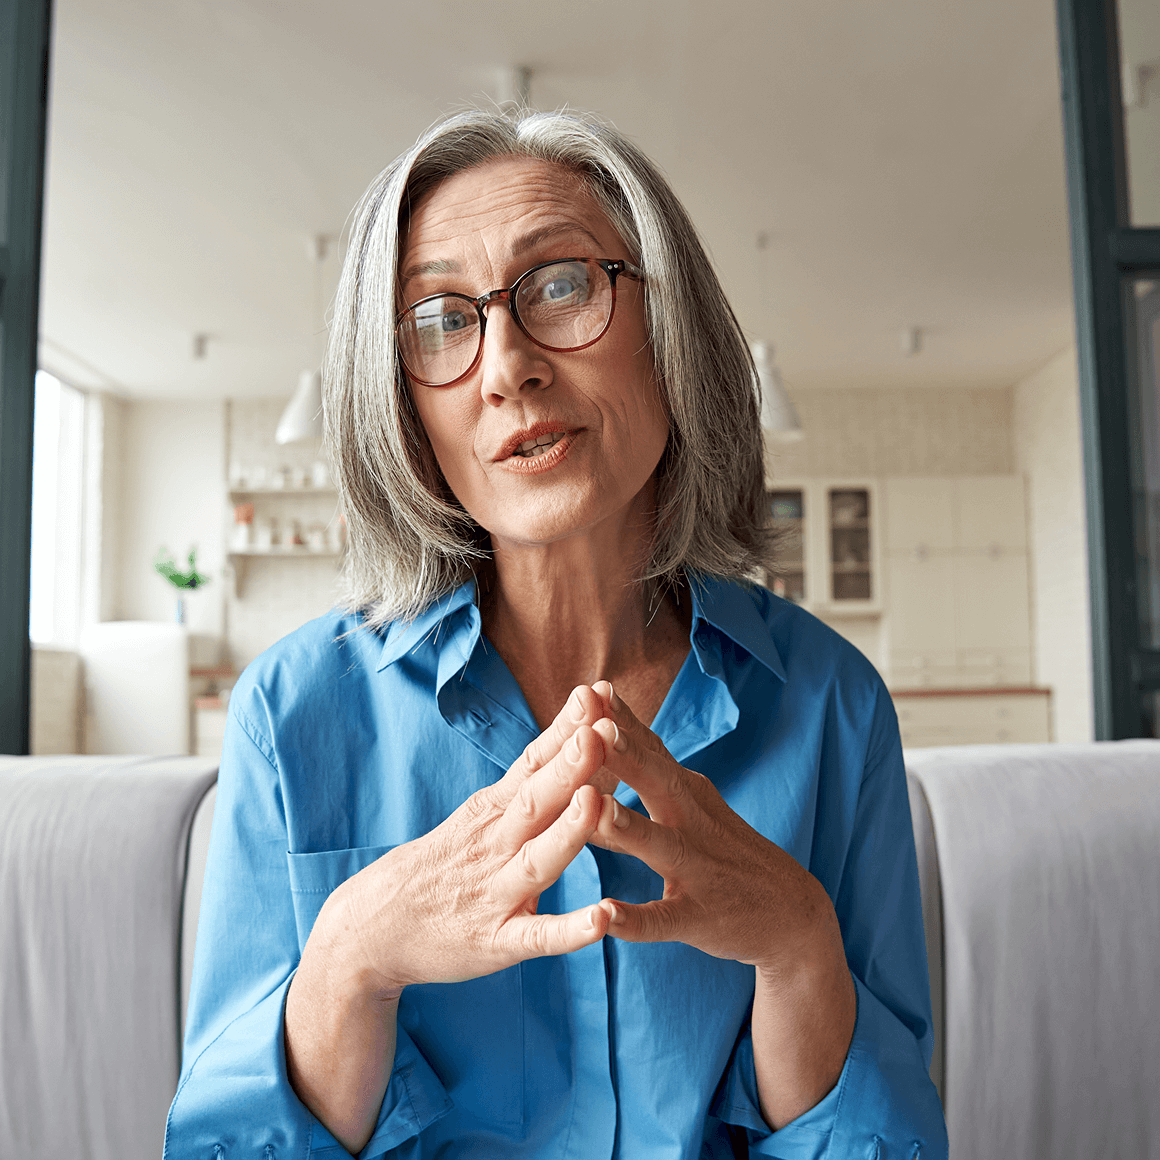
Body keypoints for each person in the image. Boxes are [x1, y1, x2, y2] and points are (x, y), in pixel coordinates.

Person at [165, 108, 947, 1160]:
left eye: (563, 284)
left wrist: (800, 946)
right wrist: (350, 957)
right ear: (399, 402)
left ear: (670, 330)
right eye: (440, 319)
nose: (506, 367)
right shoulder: (289, 711)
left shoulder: (832, 705)